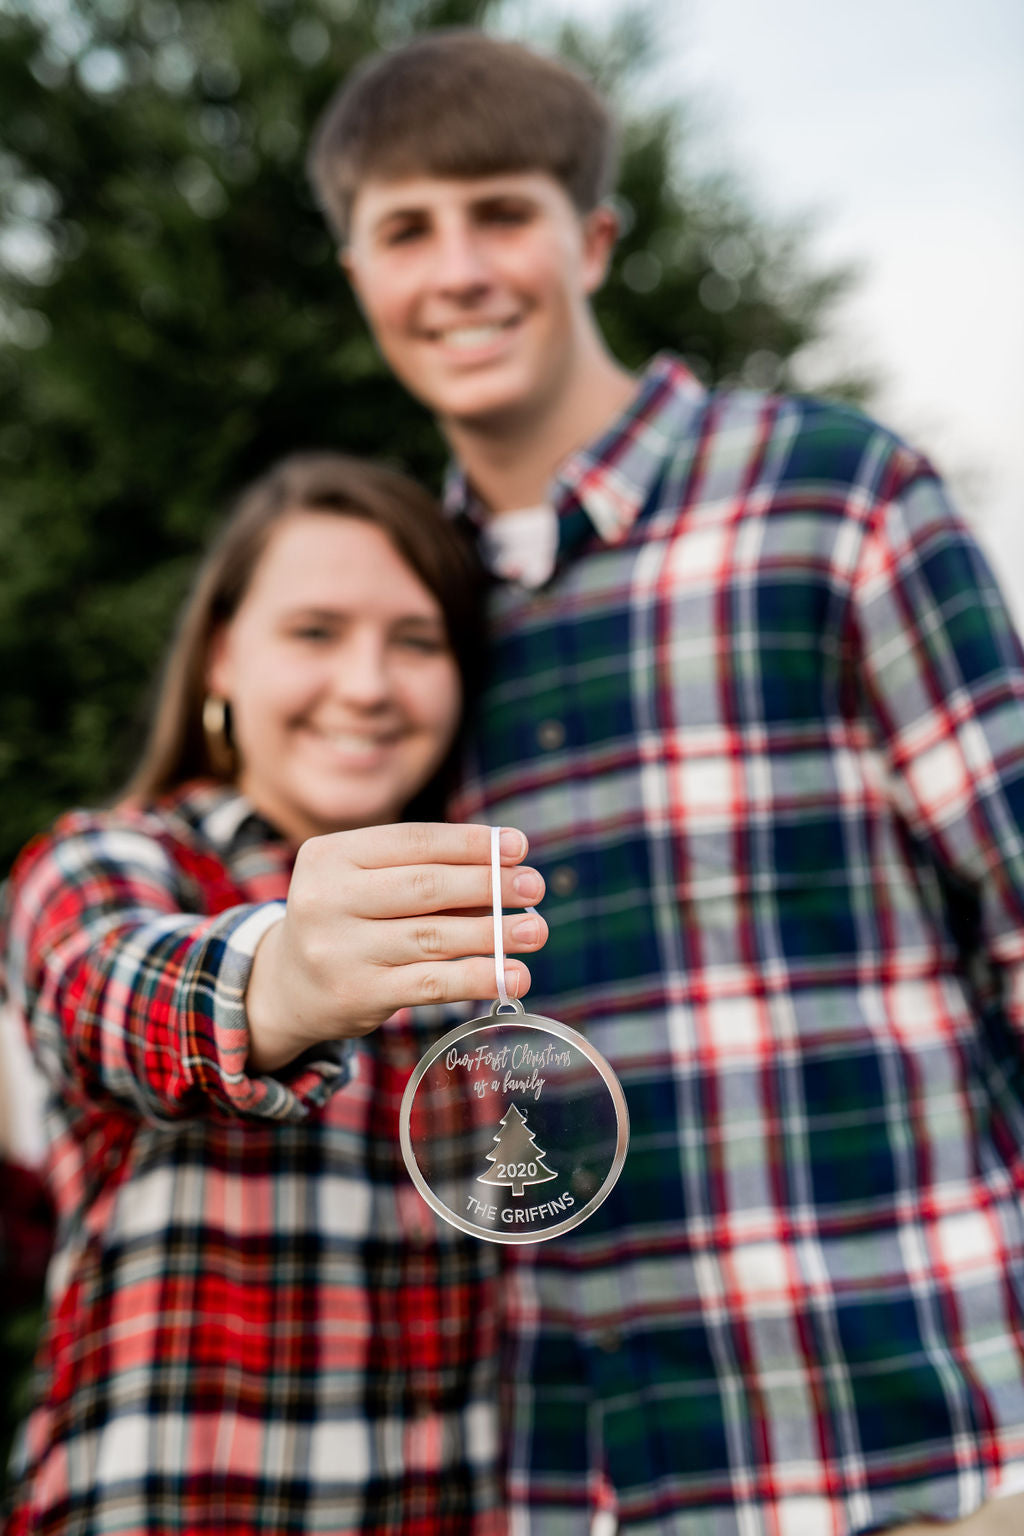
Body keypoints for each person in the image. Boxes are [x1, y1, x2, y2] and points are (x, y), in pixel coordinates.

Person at [304, 30, 1024, 1536]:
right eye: (405, 231)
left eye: (502, 212)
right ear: (357, 270)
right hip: (584, 1473)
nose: (458, 271)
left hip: (925, 1439)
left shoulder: (835, 499)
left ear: (594, 237)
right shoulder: (402, 621)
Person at [1, 449, 549, 1535]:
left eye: (416, 641)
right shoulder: (108, 861)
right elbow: (100, 992)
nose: (366, 684)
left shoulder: (498, 918)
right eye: (314, 632)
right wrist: (283, 978)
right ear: (220, 658)